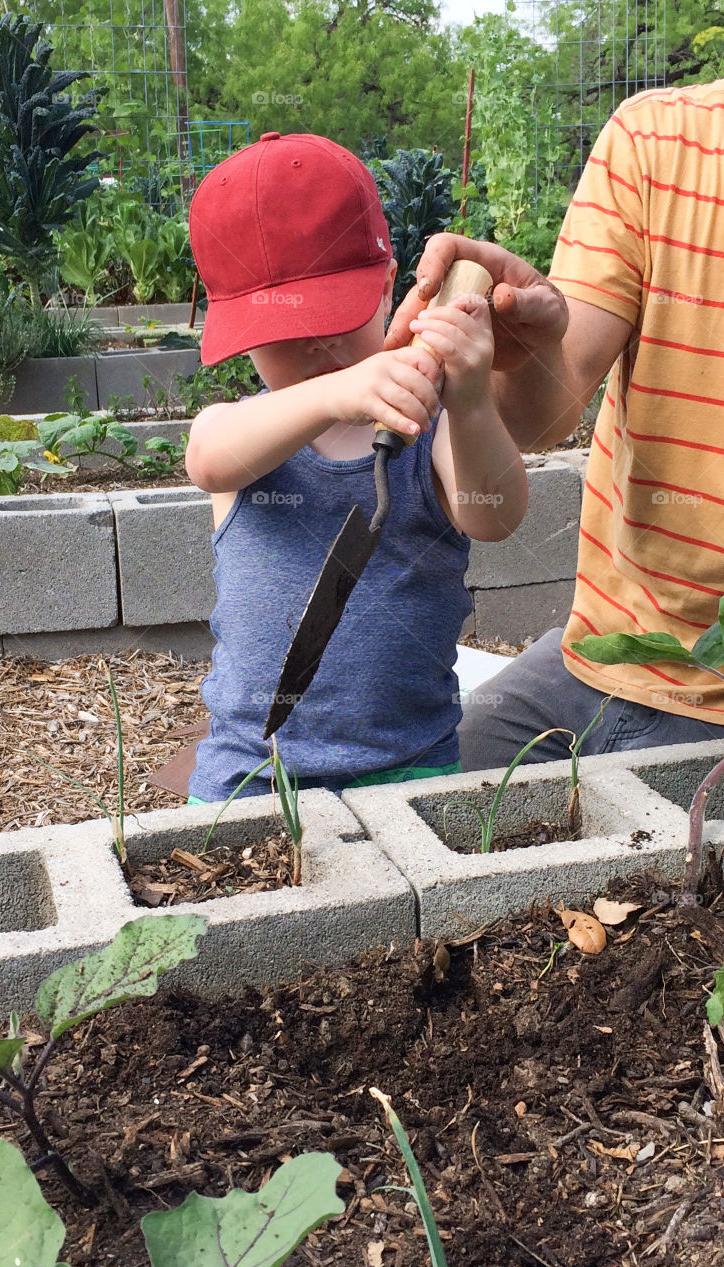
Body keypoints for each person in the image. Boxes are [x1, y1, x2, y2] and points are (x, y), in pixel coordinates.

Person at [385, 75, 724, 770]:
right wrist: (507, 361)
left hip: (718, 707)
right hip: (607, 654)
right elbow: (542, 413)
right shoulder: (658, 140)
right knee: (398, 804)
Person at [182, 131, 527, 803]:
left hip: (408, 769)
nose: (314, 345)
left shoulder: (435, 436)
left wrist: (474, 395)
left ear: (391, 284)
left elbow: (495, 517)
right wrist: (336, 393)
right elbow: (207, 459)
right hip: (251, 770)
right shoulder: (243, 435)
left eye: (335, 319)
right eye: (281, 336)